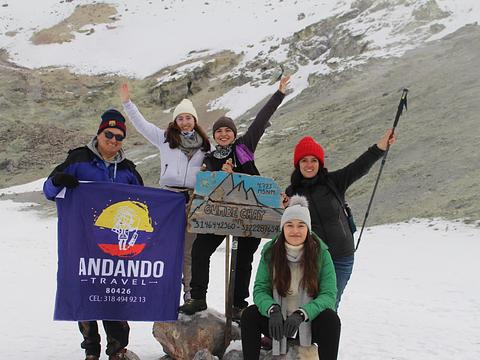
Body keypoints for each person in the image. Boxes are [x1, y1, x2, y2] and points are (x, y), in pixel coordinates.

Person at [178, 76, 290, 318]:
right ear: (215, 136)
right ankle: (198, 297)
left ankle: (237, 305)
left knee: (242, 260)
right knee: (200, 250)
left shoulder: (244, 147)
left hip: (250, 215)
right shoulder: (210, 158)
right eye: (219, 131)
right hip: (219, 215)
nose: (224, 134)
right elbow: (206, 183)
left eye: (228, 130)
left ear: (234, 133)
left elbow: (261, 120)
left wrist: (279, 93)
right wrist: (220, 174)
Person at [43, 109, 143, 360]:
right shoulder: (78, 159)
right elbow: (48, 190)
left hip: (116, 246)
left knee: (114, 294)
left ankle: (117, 348)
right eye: (109, 134)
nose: (113, 140)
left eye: (119, 137)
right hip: (81, 242)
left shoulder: (128, 170)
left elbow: (144, 203)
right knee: (85, 292)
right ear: (99, 134)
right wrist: (59, 180)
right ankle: (91, 348)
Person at [285, 129, 397, 309]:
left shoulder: (333, 181)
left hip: (341, 257)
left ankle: (322, 338)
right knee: (306, 304)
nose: (309, 165)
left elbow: (360, 166)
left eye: (314, 160)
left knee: (329, 304)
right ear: (297, 164)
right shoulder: (291, 193)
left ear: (320, 163)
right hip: (311, 259)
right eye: (304, 160)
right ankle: (303, 337)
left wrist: (382, 145)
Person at [120, 84, 212, 300]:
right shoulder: (164, 139)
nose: (185, 122)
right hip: (169, 200)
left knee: (189, 251)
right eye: (180, 119)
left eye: (188, 118)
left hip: (193, 201)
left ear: (195, 120)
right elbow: (142, 125)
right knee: (164, 247)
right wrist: (127, 103)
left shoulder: (206, 147)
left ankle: (189, 293)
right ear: (175, 122)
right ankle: (160, 291)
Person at [240, 195, 341, 360]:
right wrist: (272, 310)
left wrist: (302, 314)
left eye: (301, 225)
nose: (295, 231)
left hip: (307, 322)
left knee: (331, 320)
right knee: (249, 315)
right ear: (283, 227)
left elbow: (328, 295)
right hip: (278, 324)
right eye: (290, 225)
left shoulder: (321, 253)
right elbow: (260, 289)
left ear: (308, 228)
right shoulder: (271, 251)